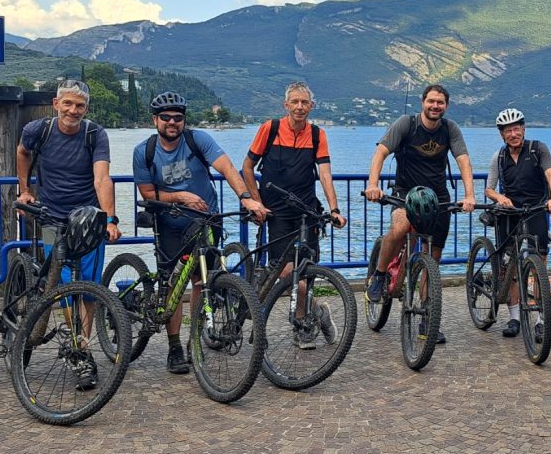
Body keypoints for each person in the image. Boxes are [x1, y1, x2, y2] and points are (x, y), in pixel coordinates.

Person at [132, 92, 268, 374]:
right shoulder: (143, 151)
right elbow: (146, 192)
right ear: (155, 120)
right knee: (171, 285)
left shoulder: (198, 140)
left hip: (206, 221)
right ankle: (174, 347)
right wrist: (181, 196)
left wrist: (245, 198)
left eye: (178, 118)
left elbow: (228, 168)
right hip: (169, 224)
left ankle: (195, 335)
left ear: (184, 120)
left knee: (199, 281)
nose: (172, 122)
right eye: (166, 118)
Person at [15, 78, 119, 389]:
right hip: (51, 217)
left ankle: (81, 349)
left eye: (80, 105)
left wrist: (109, 219)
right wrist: (24, 190)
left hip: (86, 219)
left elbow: (102, 178)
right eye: (68, 104)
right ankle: (66, 338)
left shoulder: (94, 134)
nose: (73, 110)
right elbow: (22, 153)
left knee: (86, 288)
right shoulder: (38, 130)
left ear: (86, 109)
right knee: (60, 284)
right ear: (56, 103)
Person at [364, 84, 476, 346]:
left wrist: (469, 194)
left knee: (432, 259)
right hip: (405, 193)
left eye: (440, 103)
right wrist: (373, 184)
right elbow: (381, 151)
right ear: (422, 102)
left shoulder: (450, 129)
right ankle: (380, 275)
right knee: (401, 228)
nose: (435, 106)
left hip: (438, 197)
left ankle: (428, 316)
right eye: (431, 101)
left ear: (446, 106)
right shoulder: (407, 124)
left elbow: (463, 160)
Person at [241, 81, 346, 347]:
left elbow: (324, 173)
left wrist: (334, 209)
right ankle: (317, 311)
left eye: (305, 103)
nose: (300, 107)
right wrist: (256, 202)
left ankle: (302, 326)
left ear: (311, 106)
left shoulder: (316, 135)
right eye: (295, 102)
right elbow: (247, 167)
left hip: (306, 211)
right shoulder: (271, 129)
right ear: (286, 105)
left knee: (305, 274)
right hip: (276, 213)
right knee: (287, 275)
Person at [483, 108, 551, 343]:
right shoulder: (498, 157)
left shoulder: (538, 149)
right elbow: (488, 188)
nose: (513, 134)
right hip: (510, 213)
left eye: (517, 129)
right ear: (502, 135)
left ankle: (540, 320)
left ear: (524, 129)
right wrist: (499, 198)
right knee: (511, 267)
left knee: (539, 265)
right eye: (508, 131)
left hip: (536, 210)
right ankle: (514, 317)